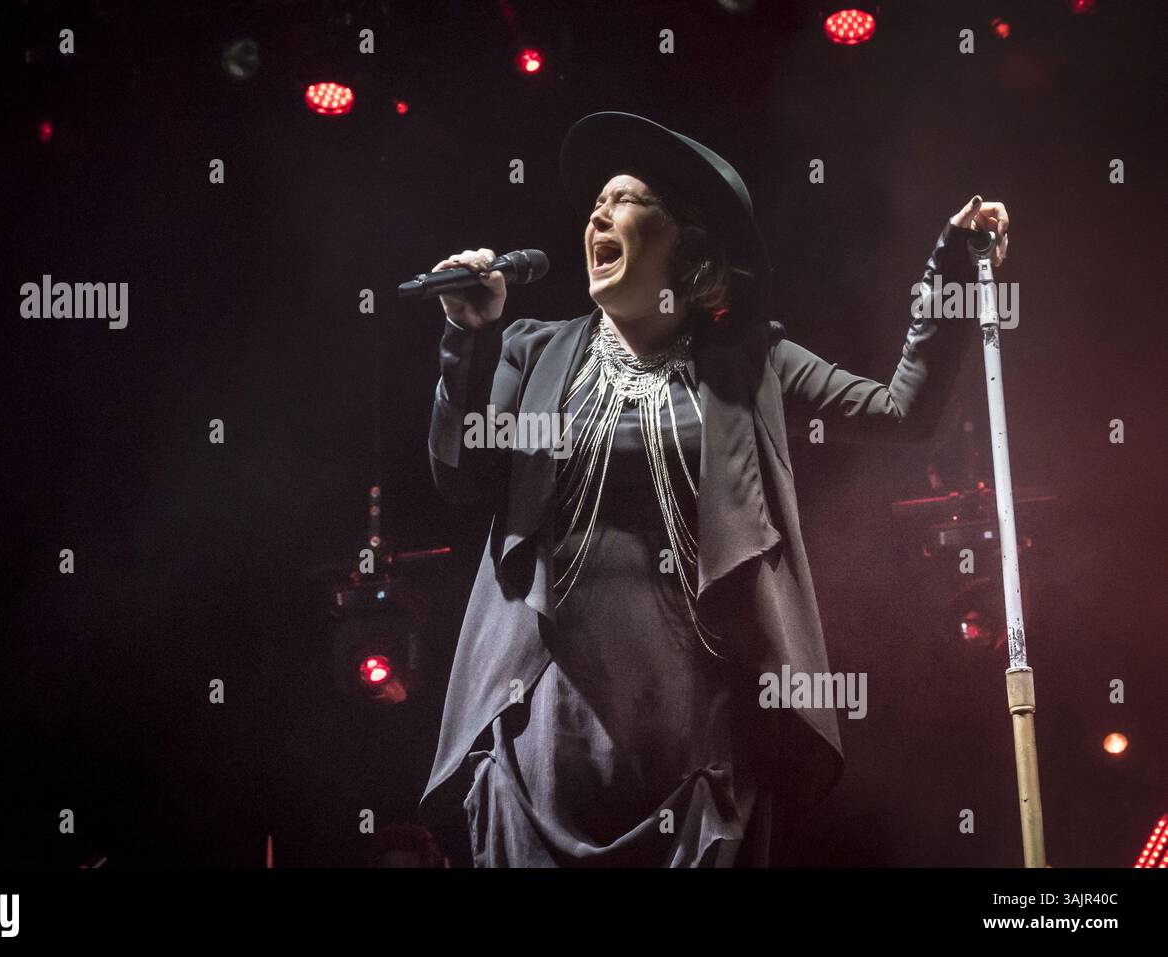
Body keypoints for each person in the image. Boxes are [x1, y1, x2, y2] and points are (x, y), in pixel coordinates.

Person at [417, 111, 1009, 867]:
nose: (598, 212)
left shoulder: (751, 363)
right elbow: (460, 475)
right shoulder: (534, 352)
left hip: (693, 728)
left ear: (685, 244)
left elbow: (903, 410)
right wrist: (465, 337)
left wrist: (954, 268)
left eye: (624, 200)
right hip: (547, 726)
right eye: (595, 202)